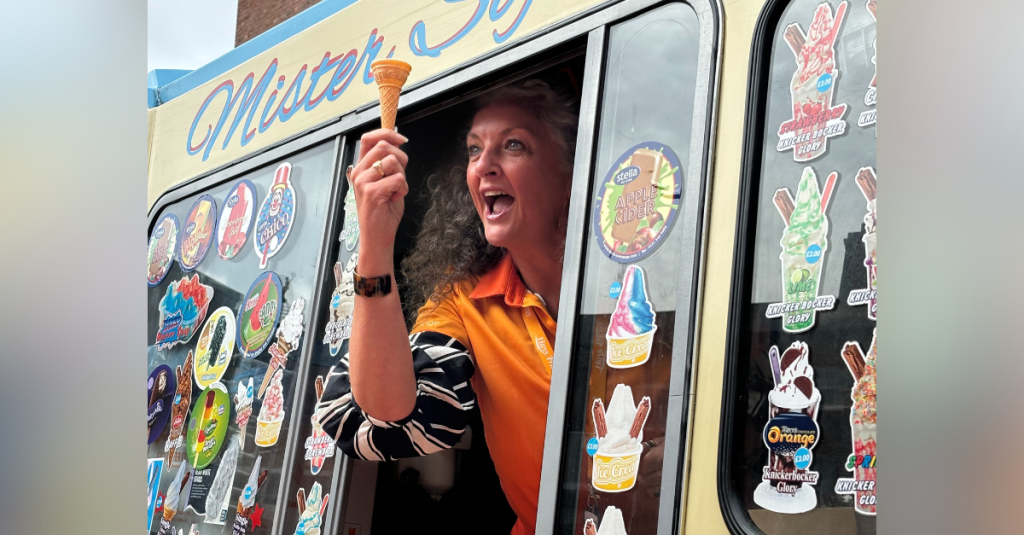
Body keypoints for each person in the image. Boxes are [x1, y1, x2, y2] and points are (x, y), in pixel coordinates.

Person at [315, 79, 578, 535]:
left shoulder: (632, 270)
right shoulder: (463, 299)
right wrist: (375, 241)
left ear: (571, 170)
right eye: (475, 150)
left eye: (513, 145)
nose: (484, 166)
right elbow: (391, 409)